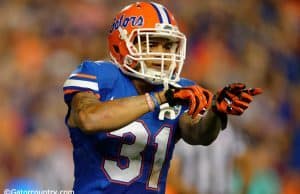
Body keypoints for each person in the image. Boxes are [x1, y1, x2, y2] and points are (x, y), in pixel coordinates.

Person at [62, 2, 262, 194]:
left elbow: (198, 134)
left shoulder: (179, 89)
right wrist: (159, 98)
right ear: (123, 44)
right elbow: (89, 118)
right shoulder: (97, 74)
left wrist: (215, 113)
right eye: (152, 44)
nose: (161, 54)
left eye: (167, 47)